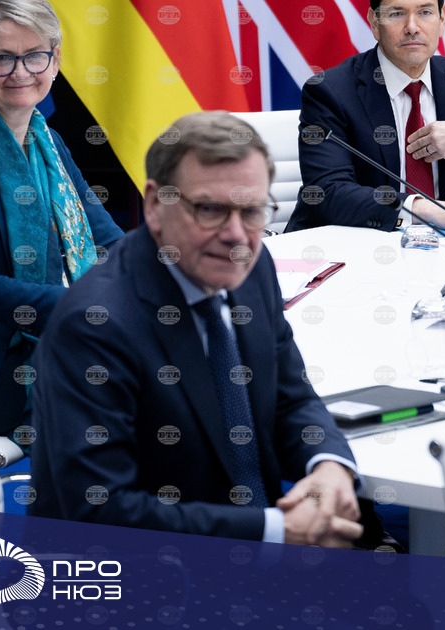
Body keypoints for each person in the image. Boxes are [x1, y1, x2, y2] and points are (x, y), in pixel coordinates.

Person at [29, 112, 362, 547]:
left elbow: (290, 397)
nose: (236, 234)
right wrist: (276, 533)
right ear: (154, 205)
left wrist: (329, 465)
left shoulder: (250, 265)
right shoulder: (94, 326)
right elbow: (101, 511)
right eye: (210, 210)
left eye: (252, 211)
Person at [0, 0, 122, 439]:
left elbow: (107, 241)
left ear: (55, 62)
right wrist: (78, 308)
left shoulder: (50, 141)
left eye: (35, 56)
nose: (20, 73)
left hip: (77, 338)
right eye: (1, 58)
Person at [285, 0, 445, 232]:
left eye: (425, 12)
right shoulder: (331, 91)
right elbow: (326, 193)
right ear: (374, 22)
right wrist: (425, 209)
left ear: (442, 19)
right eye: (397, 13)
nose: (412, 27)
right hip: (349, 247)